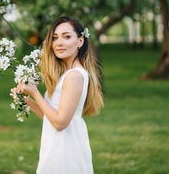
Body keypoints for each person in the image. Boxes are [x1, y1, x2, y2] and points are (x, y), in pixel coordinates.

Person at [13, 16, 104, 174]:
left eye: (67, 37)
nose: (59, 43)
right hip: (54, 145)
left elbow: (60, 123)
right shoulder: (65, 74)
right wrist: (27, 100)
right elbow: (51, 117)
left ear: (80, 41)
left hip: (66, 150)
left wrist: (35, 93)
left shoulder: (74, 76)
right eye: (55, 38)